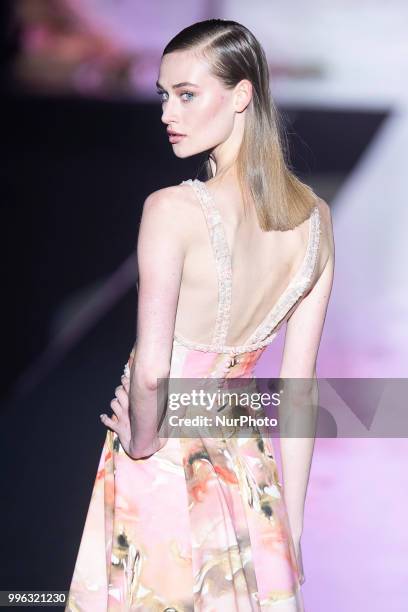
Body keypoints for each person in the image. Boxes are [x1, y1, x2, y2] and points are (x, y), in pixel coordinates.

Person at [66, 18, 334, 612]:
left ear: (242, 97)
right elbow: (299, 393)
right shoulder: (314, 222)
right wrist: (286, 529)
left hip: (162, 461)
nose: (168, 112)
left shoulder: (171, 210)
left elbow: (154, 371)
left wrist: (139, 440)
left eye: (187, 95)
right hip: (247, 467)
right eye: (165, 95)